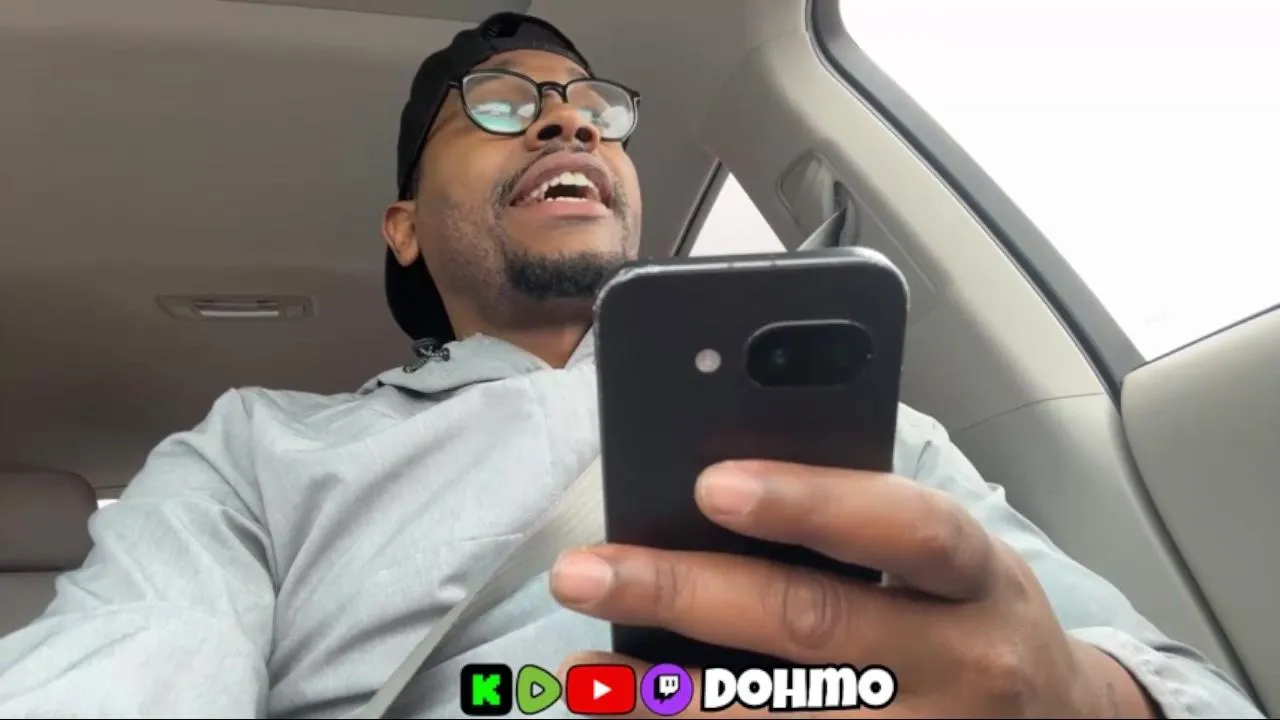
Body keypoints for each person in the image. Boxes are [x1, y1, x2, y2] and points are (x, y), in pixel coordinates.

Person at [0, 11, 1263, 719]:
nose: (566, 119)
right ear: (403, 225)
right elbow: (131, 665)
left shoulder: (876, 434)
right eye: (501, 105)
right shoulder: (253, 449)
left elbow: (1195, 698)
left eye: (593, 110)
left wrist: (1071, 694)